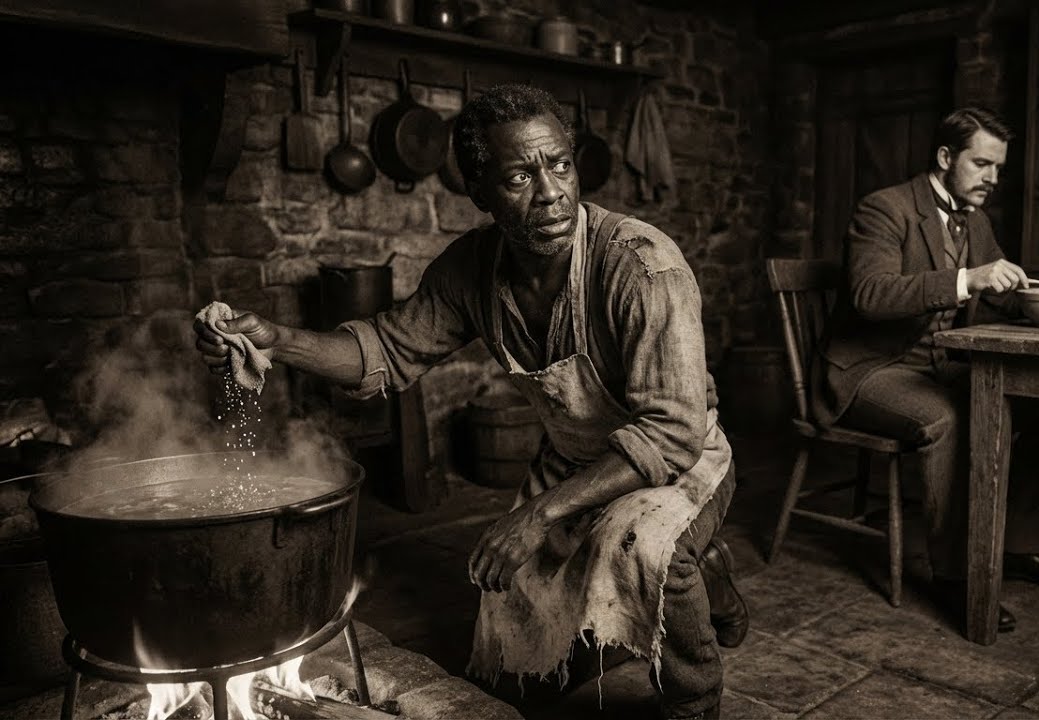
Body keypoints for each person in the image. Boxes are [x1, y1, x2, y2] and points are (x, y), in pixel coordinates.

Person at [195, 84, 746, 720]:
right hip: (575, 464)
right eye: (518, 175)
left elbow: (671, 434)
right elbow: (386, 348)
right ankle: (701, 579)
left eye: (560, 164)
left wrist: (539, 514)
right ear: (481, 194)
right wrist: (277, 339)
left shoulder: (643, 267)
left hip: (685, 461)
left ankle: (696, 691)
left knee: (642, 547)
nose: (550, 193)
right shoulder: (470, 270)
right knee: (518, 665)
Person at [810, 107, 1039, 634]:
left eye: (998, 167)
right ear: (946, 157)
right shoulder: (884, 208)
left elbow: (1000, 291)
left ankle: (1021, 544)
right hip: (871, 369)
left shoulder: (976, 221)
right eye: (981, 164)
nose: (992, 179)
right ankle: (960, 577)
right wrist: (966, 277)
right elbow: (868, 294)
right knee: (948, 416)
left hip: (939, 365)